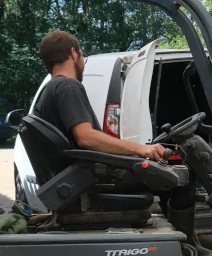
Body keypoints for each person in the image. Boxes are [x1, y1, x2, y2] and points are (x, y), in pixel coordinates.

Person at [32, 30, 165, 160]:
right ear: (73, 53)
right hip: (88, 176)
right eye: (82, 55)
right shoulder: (68, 86)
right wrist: (141, 149)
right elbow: (86, 137)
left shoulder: (49, 90)